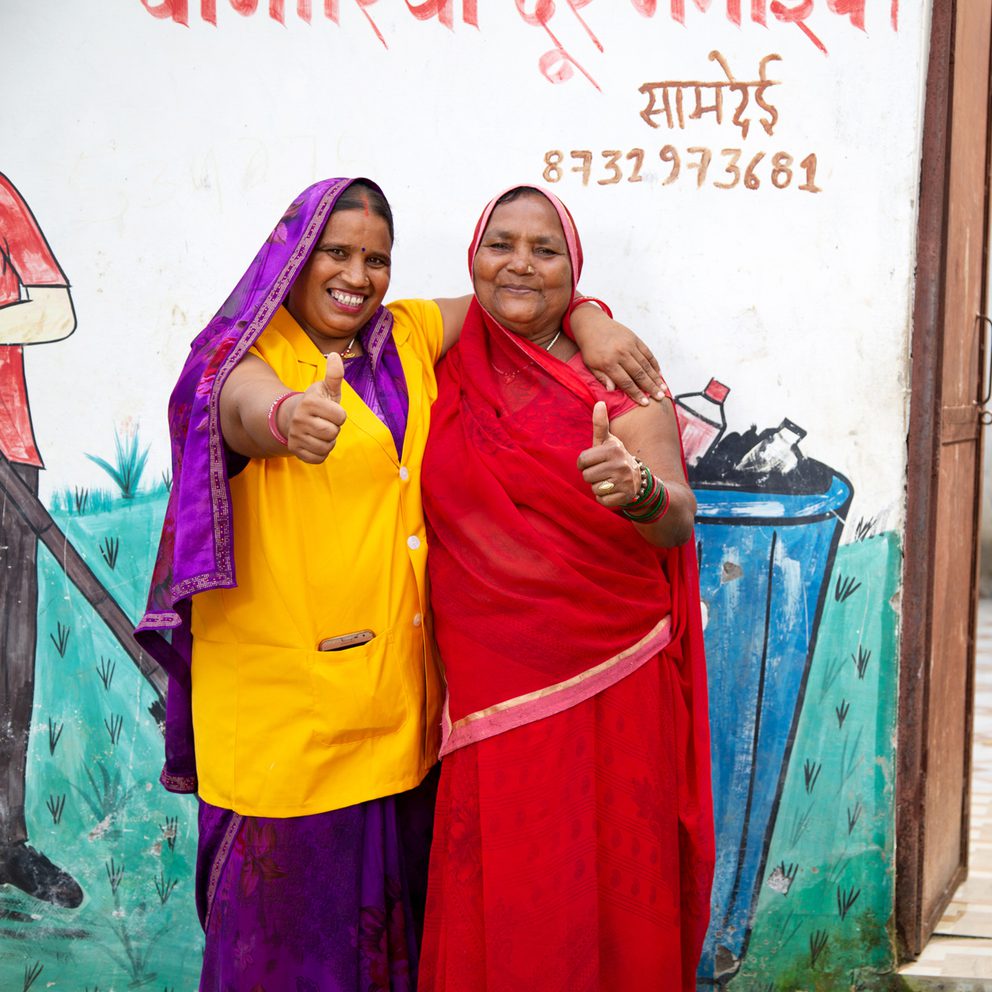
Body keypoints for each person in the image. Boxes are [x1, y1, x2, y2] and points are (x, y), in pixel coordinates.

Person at [135, 176, 666, 991]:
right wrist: (285, 420)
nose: (357, 274)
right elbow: (240, 408)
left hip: (395, 727)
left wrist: (593, 321)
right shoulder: (243, 361)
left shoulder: (404, 336)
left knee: (391, 960)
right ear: (292, 261)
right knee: (282, 959)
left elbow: (510, 295)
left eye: (375, 258)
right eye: (335, 254)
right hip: (288, 734)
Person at [418, 186, 715, 991]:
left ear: (572, 267)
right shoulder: (434, 354)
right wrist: (590, 309)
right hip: (493, 694)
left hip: (617, 678)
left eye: (545, 250)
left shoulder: (616, 374)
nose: (520, 263)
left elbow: (676, 518)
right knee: (510, 893)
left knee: (620, 891)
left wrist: (639, 491)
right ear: (474, 258)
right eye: (500, 243)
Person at [0, 172, 82, 909]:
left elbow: (54, 310)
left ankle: (6, 841)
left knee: (8, 663)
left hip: (5, 454)